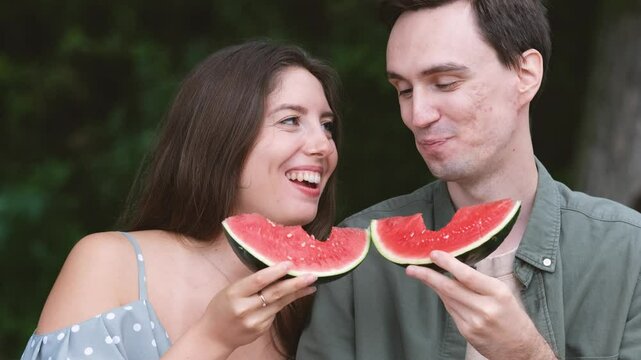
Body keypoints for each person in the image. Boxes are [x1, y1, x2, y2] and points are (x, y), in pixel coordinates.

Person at [297, 0, 641, 359]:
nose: (418, 115)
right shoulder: (360, 263)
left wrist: (526, 354)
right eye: (404, 90)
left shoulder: (630, 254)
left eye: (444, 83)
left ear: (526, 75)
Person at [21, 39, 342, 360]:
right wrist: (211, 339)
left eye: (327, 126)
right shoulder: (110, 263)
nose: (324, 146)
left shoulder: (318, 303)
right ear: (222, 135)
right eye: (290, 120)